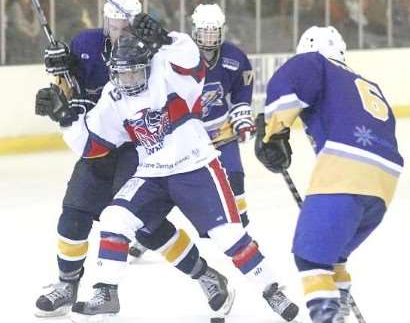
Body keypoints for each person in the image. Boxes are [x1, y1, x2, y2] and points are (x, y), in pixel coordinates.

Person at [41, 31, 299, 322]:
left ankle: (272, 289)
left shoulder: (169, 77)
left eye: (136, 72)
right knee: (115, 217)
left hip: (196, 168)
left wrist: (165, 37)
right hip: (151, 174)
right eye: (122, 74)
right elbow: (91, 143)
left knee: (228, 236)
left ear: (148, 66)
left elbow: (190, 57)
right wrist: (64, 118)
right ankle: (106, 291)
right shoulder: (113, 96)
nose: (129, 81)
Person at [34, 0, 234, 318]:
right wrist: (59, 85)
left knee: (146, 225)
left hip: (141, 146)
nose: (119, 28)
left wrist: (167, 40)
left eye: (126, 22)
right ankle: (66, 285)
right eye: (114, 21)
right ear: (105, 19)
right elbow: (71, 96)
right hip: (100, 142)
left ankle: (205, 275)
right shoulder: (85, 45)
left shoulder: (153, 50)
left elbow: (190, 68)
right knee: (74, 213)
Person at [255, 26, 404, 323]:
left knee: (310, 257)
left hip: (346, 168)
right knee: (332, 252)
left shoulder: (315, 61)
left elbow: (289, 80)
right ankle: (341, 301)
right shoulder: (364, 83)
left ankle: (330, 317)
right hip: (384, 182)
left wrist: (273, 132)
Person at [128, 3, 255, 259]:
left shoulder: (235, 58)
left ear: (222, 31)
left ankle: (236, 233)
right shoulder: (180, 55)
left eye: (214, 32)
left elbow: (241, 95)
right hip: (184, 135)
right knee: (172, 188)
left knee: (235, 177)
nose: (209, 38)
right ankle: (149, 233)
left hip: (219, 131)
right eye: (204, 31)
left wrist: (242, 117)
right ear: (194, 30)